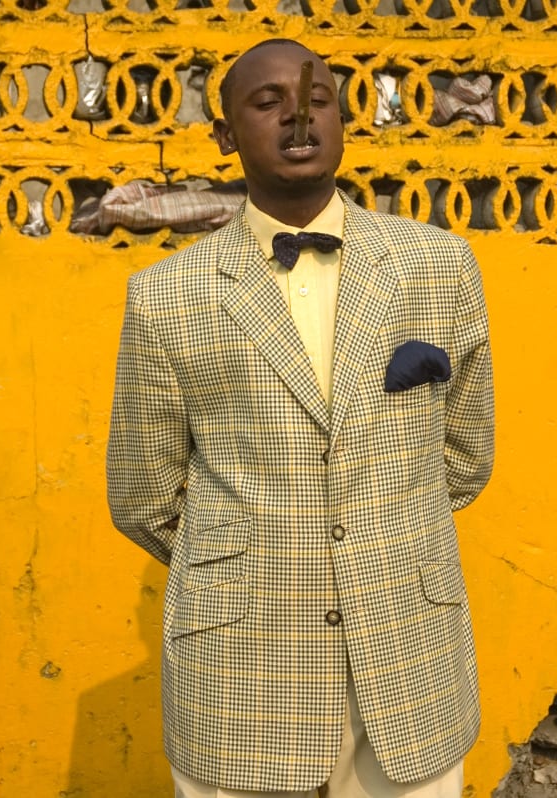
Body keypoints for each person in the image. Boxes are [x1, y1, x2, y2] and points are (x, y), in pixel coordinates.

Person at [106, 38, 494, 797]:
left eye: (317, 101)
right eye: (267, 102)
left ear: (343, 122)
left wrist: (382, 535)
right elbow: (143, 497)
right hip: (241, 667)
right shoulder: (166, 297)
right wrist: (254, 563)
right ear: (224, 136)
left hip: (406, 653)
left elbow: (465, 450)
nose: (297, 119)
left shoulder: (439, 267)